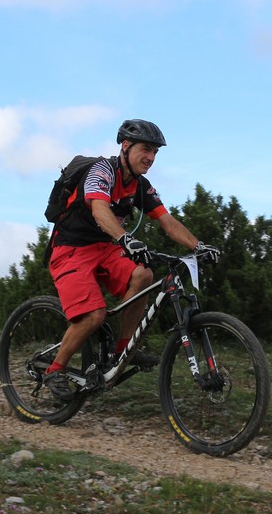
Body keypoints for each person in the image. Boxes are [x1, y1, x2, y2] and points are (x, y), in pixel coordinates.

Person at [44, 119, 220, 401]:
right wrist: (125, 238)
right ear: (126, 146)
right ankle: (55, 369)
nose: (151, 157)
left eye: (155, 152)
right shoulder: (102, 171)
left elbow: (168, 222)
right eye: (146, 149)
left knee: (143, 275)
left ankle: (122, 351)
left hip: (104, 248)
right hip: (70, 249)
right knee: (94, 315)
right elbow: (99, 208)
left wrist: (199, 246)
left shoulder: (140, 186)